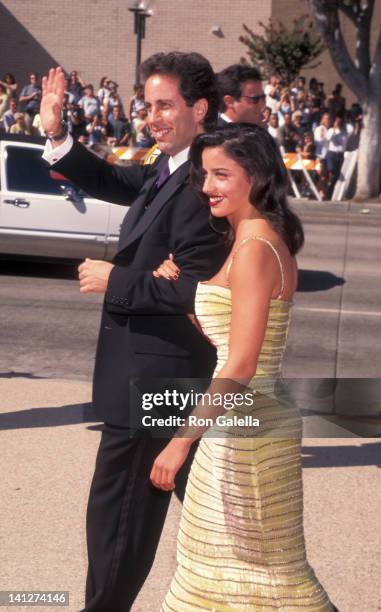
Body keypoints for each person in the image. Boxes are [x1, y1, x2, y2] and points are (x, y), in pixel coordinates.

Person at [40, 51, 229, 611]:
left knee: (119, 520)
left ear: (200, 108)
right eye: (148, 106)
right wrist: (58, 134)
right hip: (144, 375)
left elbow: (197, 292)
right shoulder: (166, 166)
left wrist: (117, 278)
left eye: (165, 105)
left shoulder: (204, 182)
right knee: (149, 518)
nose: (152, 117)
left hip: (157, 380)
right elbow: (113, 178)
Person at [150, 124, 338, 612]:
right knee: (233, 568)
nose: (207, 187)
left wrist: (179, 441)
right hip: (244, 421)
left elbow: (241, 361)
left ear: (254, 176)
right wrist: (184, 290)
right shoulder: (255, 239)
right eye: (204, 175)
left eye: (221, 175)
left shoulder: (255, 248)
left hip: (243, 432)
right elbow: (227, 332)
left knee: (258, 573)